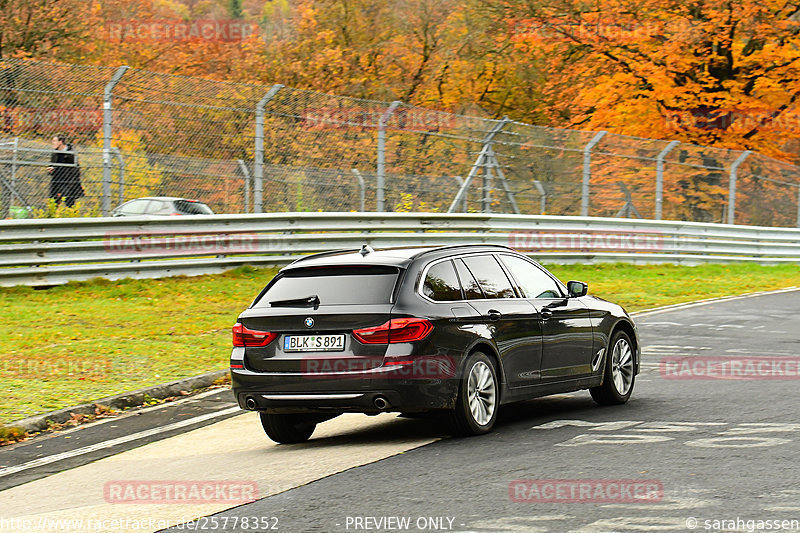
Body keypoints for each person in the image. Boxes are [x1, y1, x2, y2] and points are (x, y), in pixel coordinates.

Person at [48, 134, 84, 207]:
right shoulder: (55, 153)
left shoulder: (71, 153)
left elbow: (75, 171)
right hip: (57, 181)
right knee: (53, 202)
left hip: (69, 182)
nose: (52, 142)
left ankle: (71, 215)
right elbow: (52, 165)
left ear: (60, 142)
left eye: (54, 141)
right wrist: (51, 169)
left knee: (69, 203)